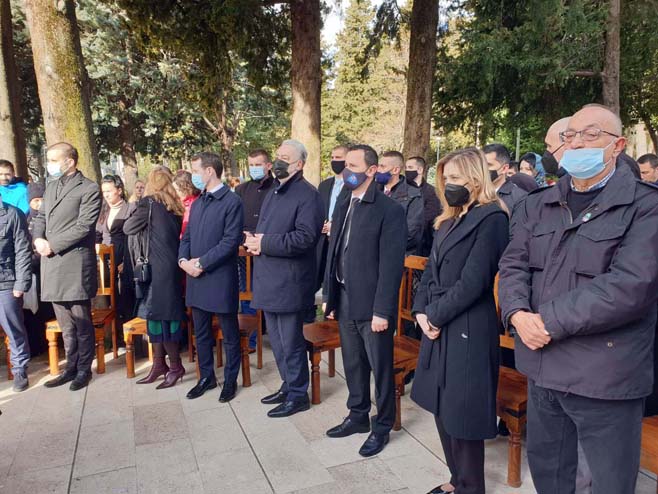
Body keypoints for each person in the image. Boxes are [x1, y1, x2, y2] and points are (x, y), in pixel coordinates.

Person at [498, 104, 658, 493]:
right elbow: (513, 264)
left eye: (591, 135)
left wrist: (546, 321)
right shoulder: (539, 203)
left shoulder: (646, 205)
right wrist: (518, 313)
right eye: (570, 135)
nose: (577, 143)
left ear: (618, 145)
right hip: (542, 369)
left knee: (607, 482)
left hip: (603, 375)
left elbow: (630, 285)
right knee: (551, 476)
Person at [413, 147, 509, 494]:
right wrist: (421, 312)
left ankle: (471, 487)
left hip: (467, 326)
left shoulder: (492, 218)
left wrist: (434, 316)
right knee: (441, 406)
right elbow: (430, 270)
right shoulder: (448, 219)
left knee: (462, 414)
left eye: (454, 178)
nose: (448, 184)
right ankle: (456, 480)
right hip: (438, 323)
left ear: (474, 177)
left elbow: (473, 282)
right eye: (445, 179)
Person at [323, 144, 406, 457]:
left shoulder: (389, 211)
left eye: (354, 165)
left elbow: (390, 265)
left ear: (372, 170)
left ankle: (381, 425)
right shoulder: (345, 201)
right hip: (344, 298)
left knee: (380, 368)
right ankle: (357, 415)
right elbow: (334, 252)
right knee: (353, 363)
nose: (347, 170)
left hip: (373, 307)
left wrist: (383, 310)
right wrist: (330, 297)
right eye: (346, 164)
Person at [245, 139, 323, 418]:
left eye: (285, 157)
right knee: (276, 341)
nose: (278, 161)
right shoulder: (274, 191)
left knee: (290, 342)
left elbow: (305, 238)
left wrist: (264, 244)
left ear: (299, 164)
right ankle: (288, 385)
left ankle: (298, 394)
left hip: (290, 282)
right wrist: (254, 240)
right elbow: (266, 230)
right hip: (268, 278)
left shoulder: (308, 194)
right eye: (277, 155)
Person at [33, 142, 102, 391]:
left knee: (81, 320)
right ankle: (70, 366)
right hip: (51, 263)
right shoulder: (51, 186)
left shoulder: (89, 188)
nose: (49, 165)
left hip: (74, 262)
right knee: (65, 323)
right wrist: (38, 239)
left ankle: (84, 368)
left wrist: (52, 244)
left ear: (69, 161)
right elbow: (40, 217)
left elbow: (84, 226)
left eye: (53, 160)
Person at [179, 152, 244, 402]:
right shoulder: (198, 202)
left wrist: (202, 263)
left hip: (219, 277)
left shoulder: (231, 201)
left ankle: (230, 379)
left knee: (229, 333)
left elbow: (230, 242)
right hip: (195, 276)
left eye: (196, 170)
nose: (193, 175)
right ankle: (206, 376)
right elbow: (187, 237)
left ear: (209, 171)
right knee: (202, 332)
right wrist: (184, 262)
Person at [124, 168, 186, 388]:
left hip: (156, 269)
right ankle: (160, 364)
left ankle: (176, 366)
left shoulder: (148, 203)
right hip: (172, 267)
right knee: (160, 316)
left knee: (161, 316)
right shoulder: (176, 206)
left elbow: (128, 227)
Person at [235, 149, 276, 351]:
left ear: (268, 165)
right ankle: (250, 339)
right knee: (247, 292)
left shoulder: (277, 188)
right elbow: (234, 220)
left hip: (270, 249)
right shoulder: (241, 190)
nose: (254, 168)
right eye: (251, 164)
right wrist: (244, 236)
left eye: (258, 164)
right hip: (245, 251)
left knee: (270, 293)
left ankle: (270, 330)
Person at [0, 194, 32, 391]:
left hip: (6, 282)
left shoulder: (12, 214)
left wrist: (21, 283)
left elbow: (22, 250)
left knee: (14, 329)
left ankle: (20, 369)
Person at [96, 175, 135, 329]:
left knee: (124, 301)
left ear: (119, 190)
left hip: (124, 261)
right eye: (103, 191)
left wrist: (126, 262)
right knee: (108, 302)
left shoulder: (131, 209)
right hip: (105, 262)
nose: (106, 194)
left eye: (109, 191)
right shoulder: (103, 211)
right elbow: (97, 234)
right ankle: (112, 337)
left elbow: (132, 238)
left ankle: (128, 338)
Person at [376, 151, 424, 255]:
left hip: (397, 255)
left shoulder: (414, 195)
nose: (378, 170)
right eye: (378, 166)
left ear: (396, 170)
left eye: (382, 166)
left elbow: (411, 231)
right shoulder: (373, 191)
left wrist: (384, 246)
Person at [317, 145, 347, 291]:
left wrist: (335, 225)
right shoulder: (324, 185)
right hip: (323, 241)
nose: (334, 161)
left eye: (339, 158)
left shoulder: (353, 185)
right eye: (332, 157)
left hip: (342, 241)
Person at [405, 156, 442, 256]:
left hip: (422, 245)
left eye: (410, 167)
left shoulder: (431, 192)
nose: (407, 170)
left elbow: (427, 218)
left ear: (420, 169)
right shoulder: (402, 189)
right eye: (406, 167)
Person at [483, 144, 527, 216]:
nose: (483, 169)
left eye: (488, 165)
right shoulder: (474, 193)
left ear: (504, 168)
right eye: (481, 165)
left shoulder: (520, 198)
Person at [173, 170, 200, 237]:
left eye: (177, 190)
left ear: (186, 187)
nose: (175, 193)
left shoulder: (197, 203)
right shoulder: (181, 203)